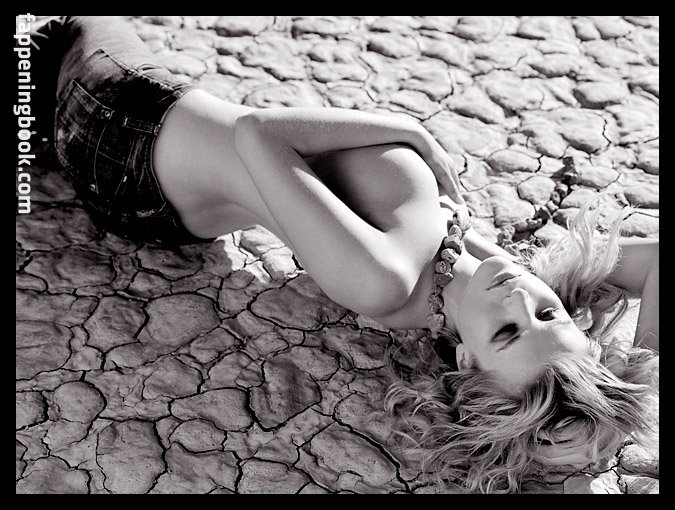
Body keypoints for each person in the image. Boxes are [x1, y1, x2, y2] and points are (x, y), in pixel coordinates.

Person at [27, 16, 659, 493]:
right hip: (147, 133)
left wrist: (408, 129)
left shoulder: (385, 280)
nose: (521, 298)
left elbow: (256, 133)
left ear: (466, 361)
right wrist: (635, 393)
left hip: (121, 133)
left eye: (508, 333)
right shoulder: (496, 278)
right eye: (548, 315)